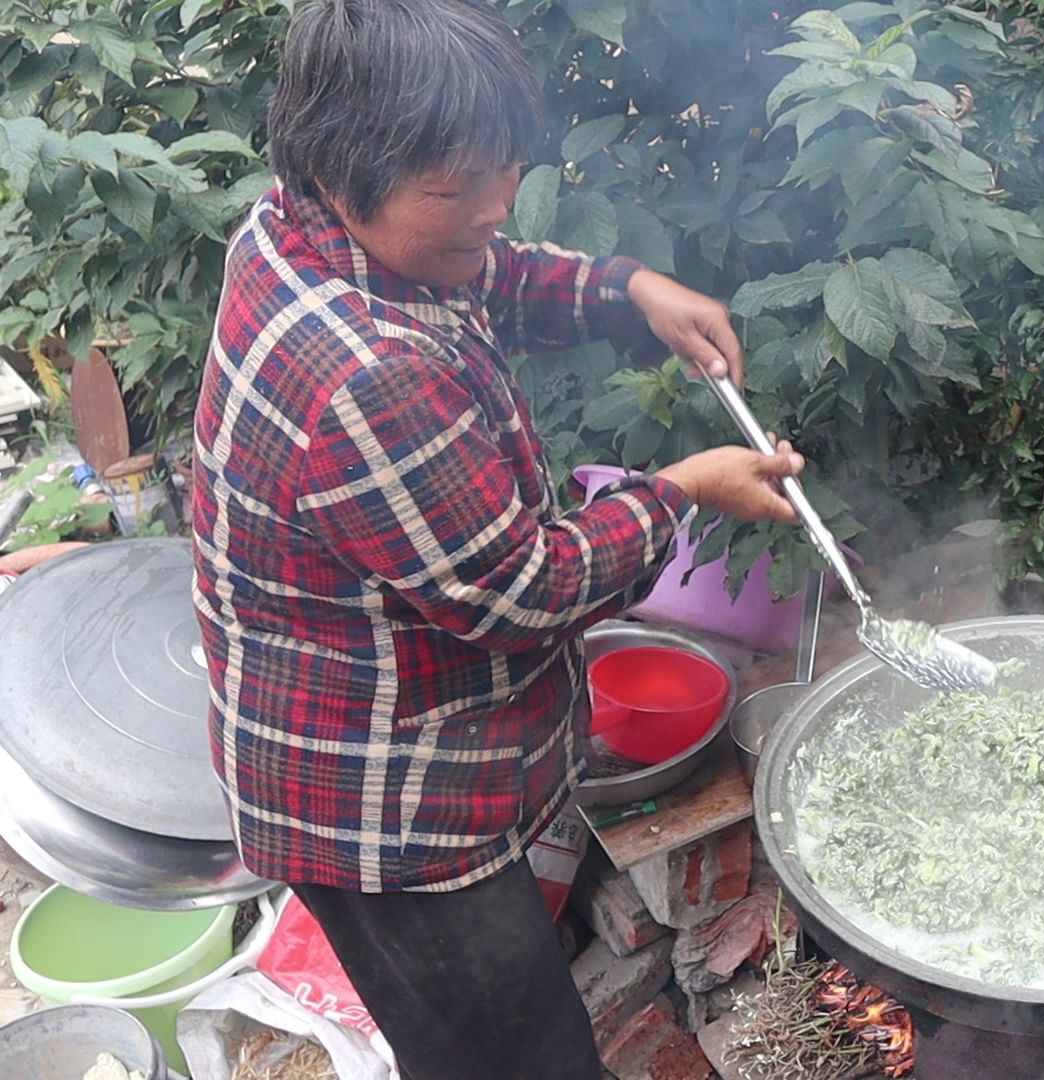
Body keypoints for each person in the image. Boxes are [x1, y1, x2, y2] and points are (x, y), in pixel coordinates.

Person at [188, 0, 803, 1076]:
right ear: (344, 167)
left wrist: (627, 291)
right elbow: (519, 590)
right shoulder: (360, 371)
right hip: (385, 807)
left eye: (506, 169)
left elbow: (482, 275)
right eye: (458, 186)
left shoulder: (312, 228)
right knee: (514, 1058)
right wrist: (683, 491)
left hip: (400, 717)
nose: (496, 207)